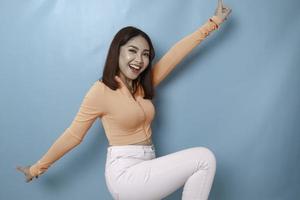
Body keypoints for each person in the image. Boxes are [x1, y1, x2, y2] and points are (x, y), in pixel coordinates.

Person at [17, 0, 231, 199]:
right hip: (125, 173)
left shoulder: (141, 86)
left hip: (147, 164)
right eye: (132, 51)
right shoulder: (100, 91)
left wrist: (213, 23)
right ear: (117, 52)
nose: (139, 59)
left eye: (146, 54)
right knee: (204, 159)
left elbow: (176, 54)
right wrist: (37, 168)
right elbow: (73, 135)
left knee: (202, 162)